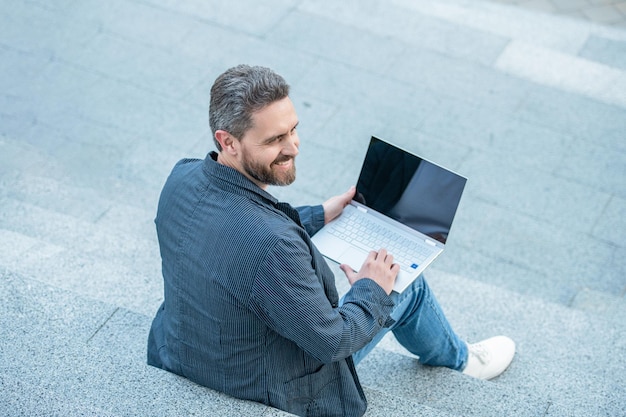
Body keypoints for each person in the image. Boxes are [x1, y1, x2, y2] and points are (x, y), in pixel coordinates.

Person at [147, 64, 515, 417]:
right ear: (227, 141)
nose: (293, 147)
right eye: (275, 139)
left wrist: (319, 216)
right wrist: (372, 290)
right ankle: (462, 361)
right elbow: (332, 340)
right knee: (404, 285)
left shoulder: (182, 177)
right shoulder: (273, 246)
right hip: (269, 385)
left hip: (184, 350)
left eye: (293, 129)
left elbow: (235, 232)